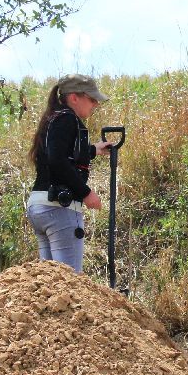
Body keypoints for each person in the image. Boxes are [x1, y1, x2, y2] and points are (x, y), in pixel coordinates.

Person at [26, 74, 114, 273]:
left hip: (39, 206)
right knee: (69, 283)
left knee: (51, 284)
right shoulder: (67, 119)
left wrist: (94, 150)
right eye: (92, 99)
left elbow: (60, 153)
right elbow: (57, 159)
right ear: (74, 97)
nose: (95, 104)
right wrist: (86, 193)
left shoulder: (53, 119)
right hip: (60, 209)